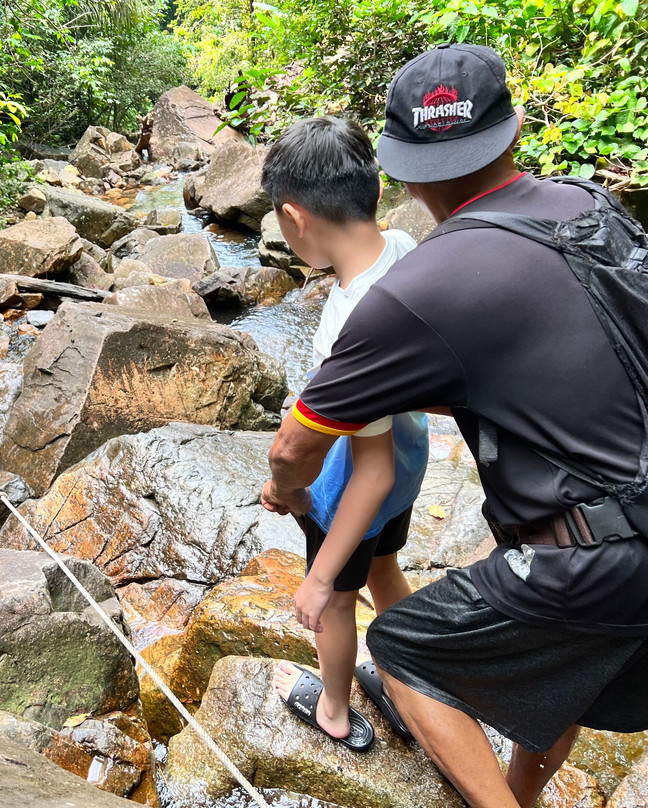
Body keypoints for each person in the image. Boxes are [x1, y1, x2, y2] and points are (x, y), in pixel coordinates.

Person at [260, 43, 648, 808]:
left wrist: (288, 492)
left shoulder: (416, 292)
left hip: (600, 563)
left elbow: (296, 446)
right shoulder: (591, 204)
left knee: (401, 648)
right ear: (519, 128)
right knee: (552, 673)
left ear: (402, 171)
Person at [260, 117, 429, 752]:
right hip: (411, 462)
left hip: (364, 482)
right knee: (384, 567)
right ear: (376, 191)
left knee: (337, 600)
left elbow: (369, 468)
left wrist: (321, 576)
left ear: (294, 217)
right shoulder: (408, 250)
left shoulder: (349, 320)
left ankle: (333, 708)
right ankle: (412, 675)